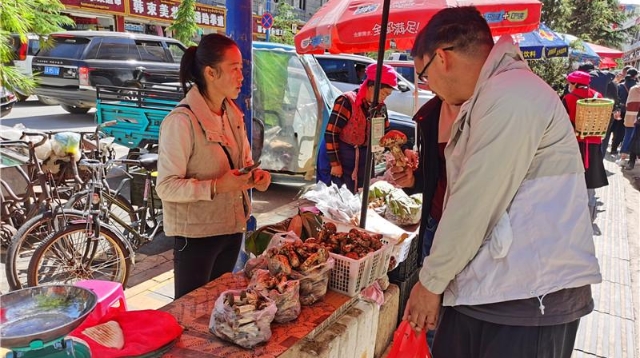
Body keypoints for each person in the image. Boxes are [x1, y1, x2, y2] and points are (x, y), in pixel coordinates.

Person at [403, 7, 601, 358]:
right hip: (495, 290)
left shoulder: (512, 95)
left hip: (527, 299)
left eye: (423, 75)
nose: (427, 87)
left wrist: (430, 282)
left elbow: (475, 201)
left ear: (442, 58)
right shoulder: (494, 94)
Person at [156, 34, 272, 299]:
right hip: (196, 236)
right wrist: (218, 186)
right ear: (210, 72)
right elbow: (166, 187)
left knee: (220, 304)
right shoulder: (181, 122)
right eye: (234, 70)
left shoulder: (233, 114)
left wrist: (256, 177)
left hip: (231, 228)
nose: (241, 77)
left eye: (241, 69)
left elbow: (242, 166)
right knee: (190, 309)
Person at [323, 63, 397, 193]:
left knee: (362, 195)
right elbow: (331, 133)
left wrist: (400, 152)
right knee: (342, 195)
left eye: (388, 95)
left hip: (366, 159)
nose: (384, 98)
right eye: (384, 93)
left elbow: (386, 134)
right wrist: (335, 164)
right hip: (344, 157)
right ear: (372, 86)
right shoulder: (346, 101)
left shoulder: (380, 107)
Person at [561, 71, 609, 222]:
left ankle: (572, 216)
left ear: (575, 84)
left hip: (575, 143)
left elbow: (563, 123)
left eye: (569, 83)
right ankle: (590, 216)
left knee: (572, 179)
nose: (568, 85)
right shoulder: (599, 97)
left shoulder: (568, 98)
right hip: (594, 143)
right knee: (590, 181)